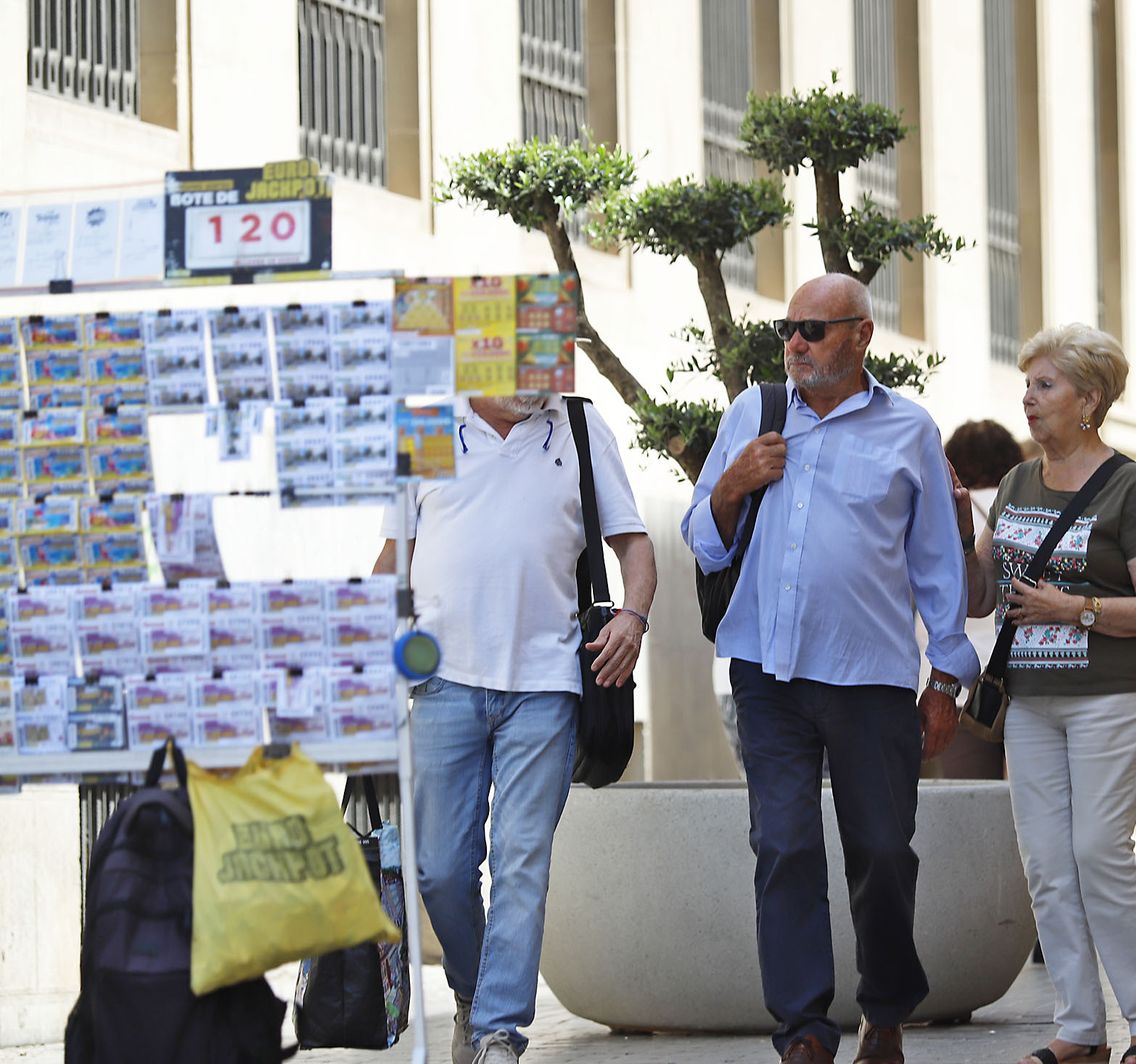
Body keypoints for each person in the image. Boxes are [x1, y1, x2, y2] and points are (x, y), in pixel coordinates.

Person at [682, 273, 980, 1064]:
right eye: (789, 328)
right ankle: (803, 1032)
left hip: (871, 677)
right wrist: (731, 488)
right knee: (782, 845)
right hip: (766, 673)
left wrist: (945, 678)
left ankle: (884, 1013)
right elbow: (703, 540)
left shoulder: (909, 428)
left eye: (814, 329)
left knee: (883, 849)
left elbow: (938, 567)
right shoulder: (756, 411)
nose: (795, 343)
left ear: (861, 336)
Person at [374, 394, 656, 1064]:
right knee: (439, 868)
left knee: (521, 863)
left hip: (546, 684)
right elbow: (393, 555)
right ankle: (474, 991)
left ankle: (499, 1032)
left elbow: (634, 544)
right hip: (442, 682)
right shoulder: (424, 427)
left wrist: (634, 617)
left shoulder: (580, 426)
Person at [957, 324, 1136, 1064]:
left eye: (1044, 386)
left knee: (1098, 850)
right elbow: (982, 596)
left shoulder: (1132, 486)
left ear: (1088, 399)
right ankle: (1079, 1030)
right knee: (1047, 864)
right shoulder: (1019, 483)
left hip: (1109, 697)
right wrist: (961, 534)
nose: (1029, 398)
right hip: (1030, 699)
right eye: (1027, 385)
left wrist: (1076, 609)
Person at [939, 418, 1023, 780]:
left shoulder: (945, 513)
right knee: (1034, 808)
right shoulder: (1024, 507)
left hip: (962, 684)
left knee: (970, 802)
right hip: (1021, 674)